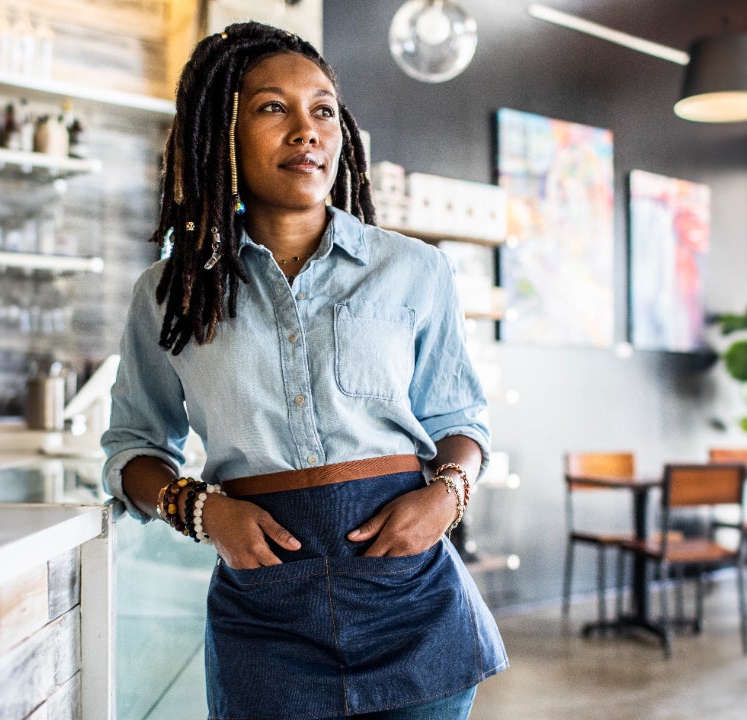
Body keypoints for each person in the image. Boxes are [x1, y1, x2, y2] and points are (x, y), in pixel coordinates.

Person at [103, 21, 506, 720]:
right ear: (220, 134)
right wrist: (200, 511)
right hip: (264, 619)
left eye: (322, 109)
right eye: (271, 108)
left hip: (411, 603)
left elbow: (458, 421)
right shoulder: (170, 294)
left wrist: (447, 494)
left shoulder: (414, 269)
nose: (306, 130)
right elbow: (133, 448)